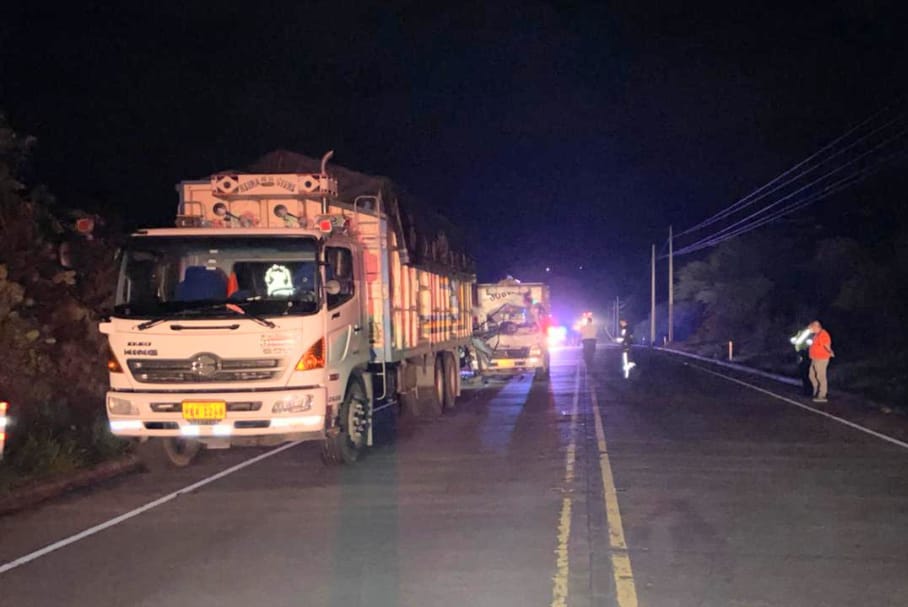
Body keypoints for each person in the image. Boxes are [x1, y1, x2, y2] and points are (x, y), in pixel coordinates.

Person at [807, 320, 834, 403]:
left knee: (820, 376)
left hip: (821, 358)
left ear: (816, 327)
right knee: (811, 375)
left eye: (811, 328)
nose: (810, 330)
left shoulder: (823, 334)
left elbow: (826, 345)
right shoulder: (816, 335)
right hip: (814, 358)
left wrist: (830, 352)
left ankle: (822, 395)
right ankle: (816, 390)